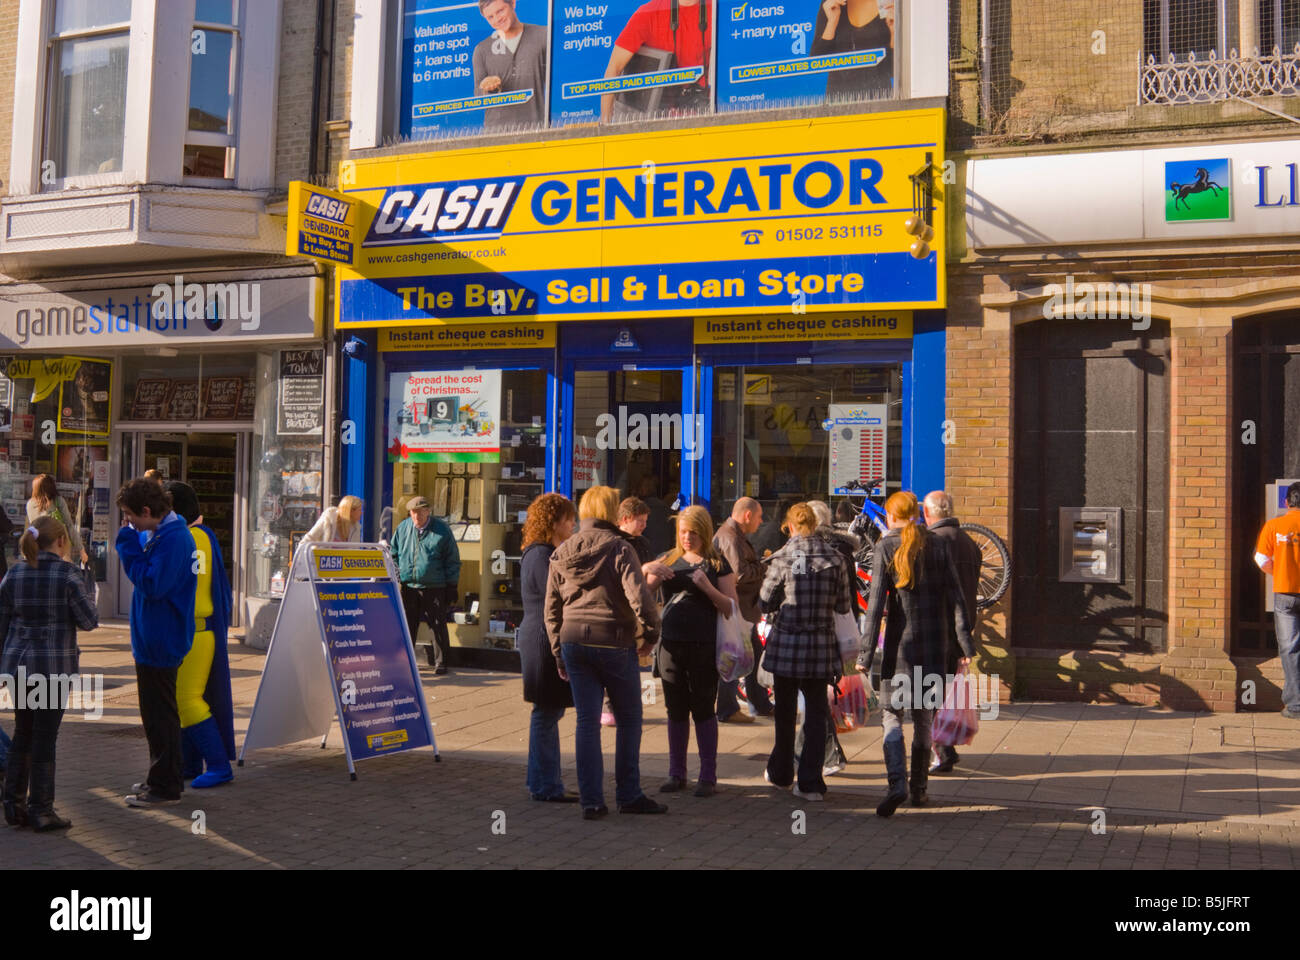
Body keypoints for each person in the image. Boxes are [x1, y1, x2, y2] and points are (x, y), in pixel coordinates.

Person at [545, 485, 666, 819]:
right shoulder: (619, 547)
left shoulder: (561, 551)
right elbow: (639, 596)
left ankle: (592, 801)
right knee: (629, 719)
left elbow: (551, 609)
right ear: (612, 511)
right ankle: (629, 794)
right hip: (613, 639)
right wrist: (651, 633)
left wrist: (558, 650)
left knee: (586, 722)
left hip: (573, 642)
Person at [857, 492, 974, 817]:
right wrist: (964, 645)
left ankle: (897, 784)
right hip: (935, 648)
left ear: (892, 517)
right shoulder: (937, 545)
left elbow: (875, 605)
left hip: (899, 650)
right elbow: (958, 600)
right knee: (923, 718)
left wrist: (865, 655)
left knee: (892, 717)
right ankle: (919, 791)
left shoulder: (886, 546)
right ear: (919, 514)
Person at [0, 516, 98, 830]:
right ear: (60, 542)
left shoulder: (14, 573)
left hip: (18, 665)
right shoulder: (67, 575)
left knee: (23, 734)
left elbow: (2, 624)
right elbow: (89, 620)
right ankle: (41, 809)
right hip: (53, 666)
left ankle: (13, 806)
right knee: (45, 738)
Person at [759, 502, 851, 801]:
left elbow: (765, 601)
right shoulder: (835, 558)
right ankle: (810, 782)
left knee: (784, 712)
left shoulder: (783, 557)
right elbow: (844, 606)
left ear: (792, 525)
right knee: (815, 713)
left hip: (787, 644)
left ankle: (782, 773)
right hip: (820, 646)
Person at [644, 506, 737, 797]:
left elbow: (730, 607)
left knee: (703, 709)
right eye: (683, 532)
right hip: (671, 645)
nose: (687, 537)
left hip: (703, 646)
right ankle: (676, 773)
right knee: (675, 710)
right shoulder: (667, 558)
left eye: (693, 532)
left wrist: (708, 588)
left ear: (705, 532)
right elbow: (643, 599)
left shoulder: (717, 563)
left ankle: (707, 775)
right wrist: (650, 574)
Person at [115, 478, 197, 807]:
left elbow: (152, 584)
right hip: (154, 639)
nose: (129, 523)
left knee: (160, 716)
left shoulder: (174, 539)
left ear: (147, 511)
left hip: (161, 640)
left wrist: (127, 544)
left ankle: (165, 786)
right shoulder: (164, 534)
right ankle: (161, 777)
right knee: (156, 716)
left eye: (131, 517)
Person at [161, 482, 236, 790]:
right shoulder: (201, 536)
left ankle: (218, 765)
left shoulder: (191, 538)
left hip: (195, 631)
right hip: (199, 630)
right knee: (188, 700)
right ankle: (190, 762)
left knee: (187, 700)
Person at [519, 493, 578, 802]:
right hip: (543, 640)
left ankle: (540, 782)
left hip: (537, 636)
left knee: (546, 712)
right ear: (554, 522)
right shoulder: (543, 555)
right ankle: (546, 786)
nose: (573, 524)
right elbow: (555, 599)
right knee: (547, 713)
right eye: (568, 519)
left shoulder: (537, 552)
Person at [922, 490, 982, 772]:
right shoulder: (970, 543)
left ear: (927, 513)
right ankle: (947, 745)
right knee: (945, 688)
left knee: (931, 690)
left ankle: (942, 751)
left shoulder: (933, 543)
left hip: (939, 627)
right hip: (962, 626)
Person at [804, 499, 861, 776]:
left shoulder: (819, 551)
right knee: (823, 696)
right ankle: (816, 753)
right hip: (845, 631)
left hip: (826, 633)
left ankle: (830, 754)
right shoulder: (844, 549)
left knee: (819, 700)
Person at [601, 0, 711, 121]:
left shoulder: (717, 8)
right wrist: (606, 126)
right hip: (661, 114)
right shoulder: (649, 12)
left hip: (708, 109)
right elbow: (614, 68)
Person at [714, 496, 772, 722]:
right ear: (747, 515)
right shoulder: (730, 538)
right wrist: (764, 567)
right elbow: (739, 574)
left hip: (743, 609)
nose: (761, 521)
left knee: (753, 655)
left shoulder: (735, 536)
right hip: (737, 609)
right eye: (758, 517)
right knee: (735, 656)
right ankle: (728, 709)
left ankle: (760, 704)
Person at [391, 495, 461, 675]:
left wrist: (452, 585)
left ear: (428, 511)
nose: (417, 517)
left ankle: (441, 662)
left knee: (437, 624)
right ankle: (406, 661)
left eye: (420, 512)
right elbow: (394, 554)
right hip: (409, 586)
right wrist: (398, 576)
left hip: (434, 586)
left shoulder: (442, 530)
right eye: (413, 513)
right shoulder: (403, 528)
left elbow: (452, 560)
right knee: (408, 625)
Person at [1255, 481, 1300, 719]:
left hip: (1285, 593)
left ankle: (1295, 706)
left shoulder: (1274, 525)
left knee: (1290, 649)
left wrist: (1280, 571)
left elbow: (1261, 559)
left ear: (1286, 502)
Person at [472, 0, 548, 129]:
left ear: (513, 3)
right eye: (490, 17)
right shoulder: (481, 50)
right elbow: (478, 95)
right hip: (496, 136)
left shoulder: (544, 35)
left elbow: (558, 79)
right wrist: (487, 87)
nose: (497, 19)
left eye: (500, 11)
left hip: (537, 131)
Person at [811, 0, 894, 100]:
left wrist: (894, 32)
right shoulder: (832, 4)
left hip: (880, 103)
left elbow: (893, 69)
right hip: (837, 103)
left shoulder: (888, 5)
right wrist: (832, 22)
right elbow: (815, 63)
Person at [27, 475, 85, 566]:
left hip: (39, 547)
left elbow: (33, 527)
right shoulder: (58, 501)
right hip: (59, 546)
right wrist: (81, 549)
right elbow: (69, 526)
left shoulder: (30, 504)